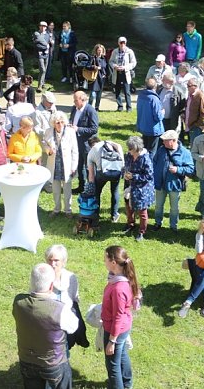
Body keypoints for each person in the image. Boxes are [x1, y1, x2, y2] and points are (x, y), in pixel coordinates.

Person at [12, 263, 78, 389]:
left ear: (31, 282)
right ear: (51, 285)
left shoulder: (18, 302)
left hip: (27, 360)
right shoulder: (60, 309)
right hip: (54, 364)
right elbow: (73, 327)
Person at [102, 245, 140, 389]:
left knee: (112, 365)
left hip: (115, 330)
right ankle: (126, 383)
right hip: (123, 327)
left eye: (105, 259)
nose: (104, 261)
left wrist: (112, 340)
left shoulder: (118, 288)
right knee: (122, 355)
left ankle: (118, 385)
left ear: (113, 263)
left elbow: (118, 316)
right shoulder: (120, 278)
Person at [152, 130, 195, 233]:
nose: (163, 142)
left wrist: (178, 170)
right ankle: (158, 223)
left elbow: (191, 169)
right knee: (158, 206)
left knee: (174, 208)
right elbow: (154, 162)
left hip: (174, 185)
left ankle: (173, 226)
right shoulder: (161, 150)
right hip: (160, 184)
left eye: (166, 140)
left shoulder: (185, 153)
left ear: (174, 140)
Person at [43, 112, 78, 217]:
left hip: (66, 166)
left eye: (62, 122)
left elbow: (75, 151)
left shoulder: (70, 132)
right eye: (57, 122)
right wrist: (48, 150)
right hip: (54, 165)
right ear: (53, 123)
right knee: (56, 189)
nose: (60, 124)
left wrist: (73, 167)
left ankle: (68, 210)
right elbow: (44, 143)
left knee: (67, 189)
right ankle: (57, 209)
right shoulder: (48, 131)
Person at [123, 136, 155, 242]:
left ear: (137, 149)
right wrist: (125, 174)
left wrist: (134, 176)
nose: (129, 151)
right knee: (128, 206)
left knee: (142, 211)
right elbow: (125, 167)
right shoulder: (128, 156)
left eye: (130, 149)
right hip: (130, 186)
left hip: (142, 189)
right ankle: (130, 224)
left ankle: (142, 231)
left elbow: (149, 176)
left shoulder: (145, 159)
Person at [87, 135, 124, 222]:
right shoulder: (107, 143)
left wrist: (91, 186)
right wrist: (122, 165)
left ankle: (96, 214)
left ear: (90, 145)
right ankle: (114, 215)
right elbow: (119, 146)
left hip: (102, 173)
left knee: (97, 192)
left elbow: (91, 175)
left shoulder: (91, 152)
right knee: (115, 191)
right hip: (116, 171)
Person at [69, 91, 98, 193]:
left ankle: (91, 187)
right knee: (79, 165)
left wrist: (78, 129)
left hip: (87, 144)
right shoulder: (74, 109)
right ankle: (81, 186)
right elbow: (71, 120)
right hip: (76, 142)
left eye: (76, 100)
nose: (74, 102)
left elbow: (94, 129)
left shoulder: (90, 111)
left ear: (83, 100)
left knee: (88, 166)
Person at [135, 78, 165, 156]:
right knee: (152, 151)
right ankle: (149, 166)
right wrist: (163, 112)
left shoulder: (141, 96)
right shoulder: (154, 99)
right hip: (153, 129)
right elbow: (158, 117)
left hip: (143, 127)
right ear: (156, 86)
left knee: (144, 149)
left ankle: (142, 164)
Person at [109, 37, 137, 113]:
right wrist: (115, 66)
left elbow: (134, 63)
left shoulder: (129, 51)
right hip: (117, 73)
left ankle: (129, 107)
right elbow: (111, 61)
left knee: (127, 91)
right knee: (117, 91)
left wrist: (125, 67)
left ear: (126, 43)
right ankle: (120, 106)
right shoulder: (115, 51)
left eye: (124, 42)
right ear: (118, 43)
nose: (122, 44)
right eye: (121, 42)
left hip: (126, 73)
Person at [184, 78, 204, 145]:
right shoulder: (190, 95)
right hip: (190, 125)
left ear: (195, 86)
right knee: (192, 146)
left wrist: (198, 125)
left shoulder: (200, 96)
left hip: (196, 127)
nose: (187, 88)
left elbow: (203, 113)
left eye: (189, 86)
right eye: (187, 85)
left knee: (195, 147)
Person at [86, 44, 107, 110]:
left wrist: (105, 74)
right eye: (98, 50)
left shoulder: (104, 59)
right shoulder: (92, 58)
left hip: (101, 78)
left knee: (99, 95)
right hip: (94, 78)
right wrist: (95, 67)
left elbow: (106, 68)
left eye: (101, 50)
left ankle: (96, 108)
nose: (100, 52)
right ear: (96, 50)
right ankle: (89, 107)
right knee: (92, 94)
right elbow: (87, 66)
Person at [33, 21, 53, 90]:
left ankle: (42, 83)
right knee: (43, 70)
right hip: (40, 54)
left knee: (45, 69)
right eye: (41, 26)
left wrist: (48, 45)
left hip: (46, 54)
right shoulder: (36, 34)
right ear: (39, 26)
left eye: (44, 26)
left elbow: (50, 44)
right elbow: (37, 45)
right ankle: (39, 86)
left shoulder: (47, 34)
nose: (43, 27)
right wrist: (46, 46)